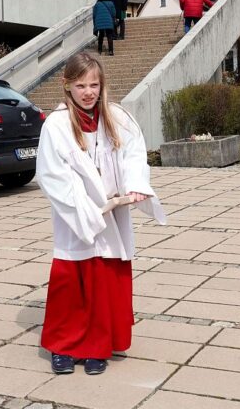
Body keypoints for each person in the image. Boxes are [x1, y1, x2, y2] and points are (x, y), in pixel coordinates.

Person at [36, 52, 166, 376]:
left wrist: (135, 186)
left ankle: (99, 345)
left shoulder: (117, 117)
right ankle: (63, 347)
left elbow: (134, 155)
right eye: (81, 85)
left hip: (114, 214)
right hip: (77, 216)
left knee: (106, 279)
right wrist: (89, 210)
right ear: (67, 86)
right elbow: (52, 175)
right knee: (71, 282)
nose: (88, 92)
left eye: (94, 84)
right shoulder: (56, 125)